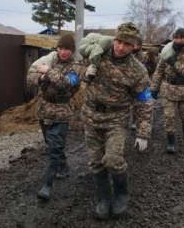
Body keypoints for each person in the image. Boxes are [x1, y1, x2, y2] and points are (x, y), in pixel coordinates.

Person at [82, 22, 153, 220]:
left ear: (134, 46)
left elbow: (144, 103)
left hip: (117, 119)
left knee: (113, 160)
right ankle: (103, 199)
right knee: (96, 162)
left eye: (127, 44)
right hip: (91, 116)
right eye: (119, 41)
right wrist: (85, 74)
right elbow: (78, 70)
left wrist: (142, 133)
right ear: (114, 40)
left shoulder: (137, 71)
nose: (121, 47)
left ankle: (122, 195)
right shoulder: (97, 54)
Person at [26, 33, 85, 201]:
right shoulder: (50, 60)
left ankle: (47, 186)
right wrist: (42, 77)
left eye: (66, 48)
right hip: (44, 109)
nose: (62, 51)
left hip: (61, 112)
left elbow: (66, 83)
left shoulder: (77, 67)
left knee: (53, 148)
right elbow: (30, 78)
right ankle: (63, 168)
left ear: (72, 50)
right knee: (52, 144)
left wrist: (48, 72)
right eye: (60, 48)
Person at [151, 28, 184, 154]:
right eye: (176, 38)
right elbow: (159, 71)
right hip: (169, 89)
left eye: (181, 38)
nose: (178, 40)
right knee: (169, 117)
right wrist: (154, 88)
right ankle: (171, 141)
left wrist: (175, 63)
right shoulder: (167, 52)